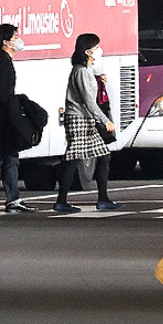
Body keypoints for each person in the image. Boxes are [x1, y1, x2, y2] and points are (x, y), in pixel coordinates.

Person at [54, 34, 121, 212]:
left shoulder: (86, 70)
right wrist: (105, 121)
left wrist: (99, 81)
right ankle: (61, 201)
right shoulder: (81, 71)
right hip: (78, 118)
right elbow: (88, 101)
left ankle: (103, 199)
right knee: (74, 158)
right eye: (97, 47)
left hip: (86, 118)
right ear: (88, 51)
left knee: (103, 155)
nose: (100, 50)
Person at [0, 23, 36, 213]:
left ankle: (14, 199)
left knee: (11, 157)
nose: (19, 40)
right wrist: (15, 105)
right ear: (5, 42)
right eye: (15, 37)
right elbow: (2, 95)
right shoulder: (2, 62)